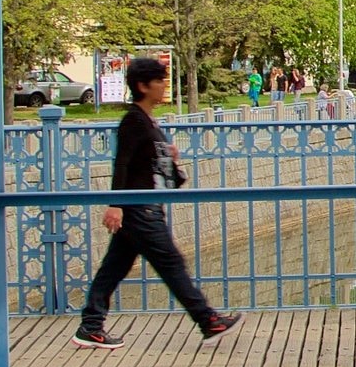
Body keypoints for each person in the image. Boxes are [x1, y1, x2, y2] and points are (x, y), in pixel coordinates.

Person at [73, 55, 240, 350]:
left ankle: (91, 325)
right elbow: (121, 164)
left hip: (144, 206)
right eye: (159, 81)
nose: (164, 86)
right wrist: (116, 204)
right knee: (171, 263)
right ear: (142, 85)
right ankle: (208, 320)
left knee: (113, 268)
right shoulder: (133, 122)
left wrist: (172, 159)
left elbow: (159, 171)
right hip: (140, 210)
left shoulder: (149, 121)